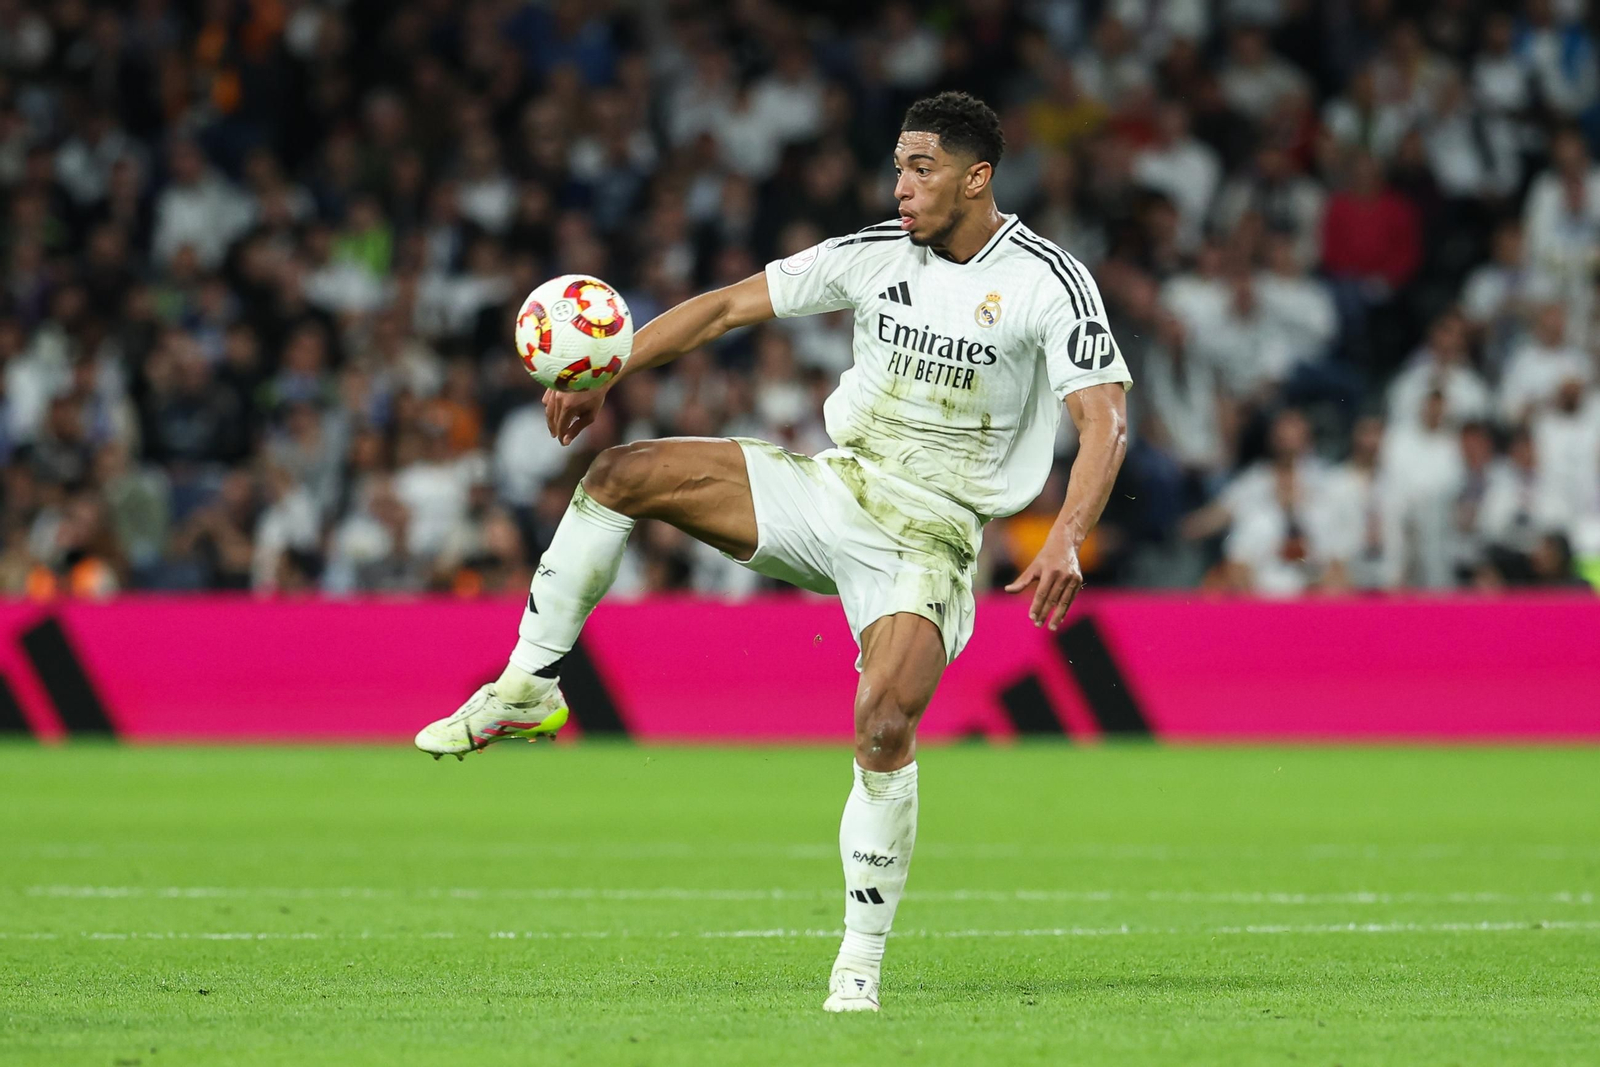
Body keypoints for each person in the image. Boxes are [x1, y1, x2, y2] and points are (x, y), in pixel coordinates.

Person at [412, 92, 1132, 1012]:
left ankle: (859, 963)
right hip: (834, 489)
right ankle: (527, 684)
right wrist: (609, 370)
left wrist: (1068, 533)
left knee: (883, 723)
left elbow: (1104, 417)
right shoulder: (874, 252)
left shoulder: (1046, 280)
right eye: (898, 168)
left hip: (934, 530)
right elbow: (723, 309)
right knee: (619, 474)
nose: (901, 187)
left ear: (976, 177)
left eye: (922, 169)